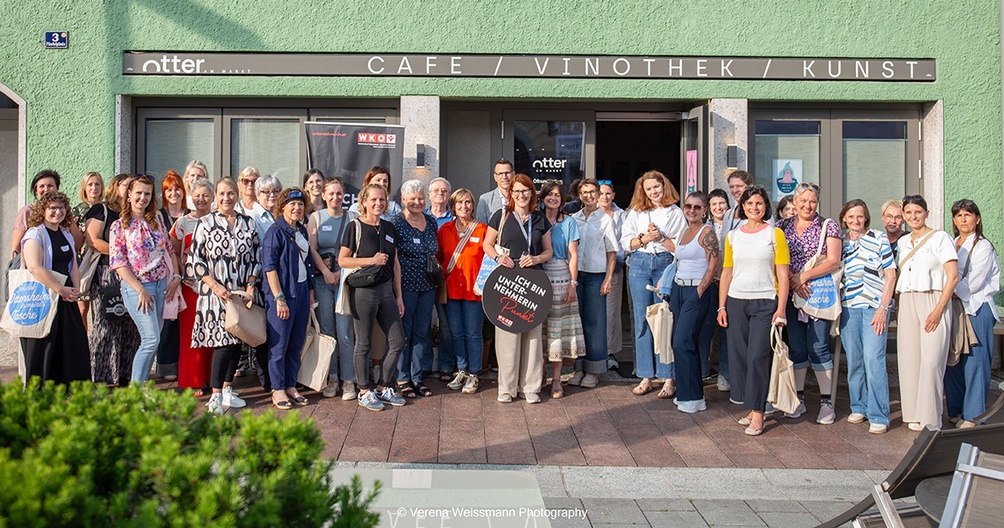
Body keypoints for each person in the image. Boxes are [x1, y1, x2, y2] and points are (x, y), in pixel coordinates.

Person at [717, 186, 790, 436]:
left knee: (758, 357)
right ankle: (751, 406)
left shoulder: (774, 234)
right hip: (737, 301)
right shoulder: (733, 236)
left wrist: (781, 307)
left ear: (765, 206)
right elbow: (726, 271)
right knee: (739, 357)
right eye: (749, 204)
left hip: (765, 302)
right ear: (743, 207)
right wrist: (722, 305)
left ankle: (759, 413)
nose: (754, 208)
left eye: (759, 203)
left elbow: (782, 272)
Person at [186, 177, 259, 414]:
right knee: (223, 344)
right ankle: (215, 395)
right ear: (215, 197)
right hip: (215, 296)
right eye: (221, 194)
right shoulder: (205, 223)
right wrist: (215, 286)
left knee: (237, 341)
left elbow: (256, 258)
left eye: (230, 193)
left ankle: (227, 389)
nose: (226, 198)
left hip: (239, 295)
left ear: (237, 195)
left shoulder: (248, 223)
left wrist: (250, 287)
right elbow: (194, 262)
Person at [483, 173, 553, 404]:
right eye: (516, 191)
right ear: (510, 194)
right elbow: (487, 244)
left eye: (526, 191)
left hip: (533, 283)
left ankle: (530, 387)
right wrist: (497, 258)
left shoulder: (540, 219)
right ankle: (507, 387)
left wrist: (536, 259)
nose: (521, 195)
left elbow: (548, 252)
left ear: (532, 193)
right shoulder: (500, 216)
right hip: (506, 284)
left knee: (532, 337)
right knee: (507, 337)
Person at [339, 183, 407, 412]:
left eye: (382, 200)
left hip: (387, 291)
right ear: (364, 202)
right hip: (364, 292)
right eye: (374, 200)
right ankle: (364, 391)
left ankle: (382, 386)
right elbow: (343, 260)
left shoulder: (389, 227)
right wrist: (371, 261)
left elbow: (395, 263)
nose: (378, 203)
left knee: (398, 341)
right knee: (363, 343)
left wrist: (399, 296)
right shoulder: (355, 226)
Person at [777, 182, 842, 424]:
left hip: (817, 294)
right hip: (791, 295)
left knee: (818, 346)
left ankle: (827, 402)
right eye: (802, 201)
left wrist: (803, 277)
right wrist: (793, 283)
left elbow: (833, 260)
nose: (807, 205)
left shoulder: (828, 225)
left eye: (812, 201)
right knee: (797, 347)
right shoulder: (782, 225)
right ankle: (799, 399)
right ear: (794, 202)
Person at [109, 175, 182, 384]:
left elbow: (169, 249)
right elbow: (118, 262)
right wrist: (139, 289)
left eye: (147, 194)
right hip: (138, 288)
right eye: (138, 193)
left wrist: (176, 276)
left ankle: (140, 387)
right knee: (151, 339)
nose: (143, 198)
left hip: (162, 286)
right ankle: (135, 392)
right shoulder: (119, 226)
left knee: (154, 338)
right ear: (129, 195)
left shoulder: (156, 219)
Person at [620, 170, 686, 398]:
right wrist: (645, 238)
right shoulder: (636, 213)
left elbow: (680, 247)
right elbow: (626, 244)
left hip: (664, 264)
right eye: (648, 189)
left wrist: (660, 238)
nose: (653, 192)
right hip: (639, 264)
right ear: (643, 191)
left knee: (664, 319)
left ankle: (668, 376)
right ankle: (646, 374)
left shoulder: (675, 212)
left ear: (664, 186)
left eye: (656, 187)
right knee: (642, 320)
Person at [895, 195, 958, 431]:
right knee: (910, 359)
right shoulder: (903, 242)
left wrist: (939, 308)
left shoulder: (941, 238)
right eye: (909, 213)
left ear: (927, 213)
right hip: (908, 298)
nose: (913, 217)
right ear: (904, 216)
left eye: (918, 212)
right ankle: (913, 413)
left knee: (932, 361)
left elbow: (952, 276)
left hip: (934, 299)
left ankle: (931, 417)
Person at [19, 191, 91, 384]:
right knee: (45, 347)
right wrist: (61, 289)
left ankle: (72, 389)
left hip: (67, 298)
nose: (57, 212)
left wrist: (76, 290)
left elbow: (73, 265)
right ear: (43, 210)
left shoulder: (65, 233)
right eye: (52, 208)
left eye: (61, 207)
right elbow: (35, 267)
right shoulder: (35, 234)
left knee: (73, 344)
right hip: (43, 297)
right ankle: (41, 394)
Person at [838, 199, 896, 434]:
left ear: (866, 217)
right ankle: (858, 406)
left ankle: (879, 414)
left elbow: (891, 276)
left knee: (873, 359)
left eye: (859, 216)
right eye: (851, 217)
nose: (855, 221)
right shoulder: (841, 242)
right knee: (854, 359)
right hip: (849, 307)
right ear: (844, 218)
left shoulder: (879, 238)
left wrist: (884, 308)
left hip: (874, 307)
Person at [946, 199, 1000, 428]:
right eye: (959, 215)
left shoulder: (983, 246)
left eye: (968, 215)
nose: (963, 219)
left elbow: (973, 283)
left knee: (975, 363)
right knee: (952, 361)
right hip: (954, 309)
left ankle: (974, 415)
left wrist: (948, 288)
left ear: (977, 219)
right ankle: (956, 410)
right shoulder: (952, 243)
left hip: (976, 309)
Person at [262, 188, 316, 410]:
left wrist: (311, 293)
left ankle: (291, 384)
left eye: (301, 204)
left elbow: (307, 264)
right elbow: (269, 267)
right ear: (282, 206)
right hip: (283, 295)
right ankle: (277, 388)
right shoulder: (275, 232)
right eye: (292, 204)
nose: (297, 208)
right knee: (279, 345)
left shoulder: (301, 230)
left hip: (301, 293)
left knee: (296, 343)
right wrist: (279, 298)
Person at [85, 173, 141, 386]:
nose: (129, 191)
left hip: (132, 273)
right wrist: (121, 253)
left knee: (130, 324)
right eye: (127, 186)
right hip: (106, 272)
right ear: (116, 187)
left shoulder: (134, 214)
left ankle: (126, 374)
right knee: (107, 324)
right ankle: (101, 375)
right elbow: (93, 240)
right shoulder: (102, 210)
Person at [669, 191, 720, 413]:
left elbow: (713, 265)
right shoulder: (684, 230)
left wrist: (699, 290)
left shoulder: (706, 232)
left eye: (697, 207)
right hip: (678, 288)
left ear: (705, 210)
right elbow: (680, 254)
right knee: (678, 341)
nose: (692, 210)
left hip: (695, 290)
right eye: (688, 206)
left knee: (683, 342)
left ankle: (694, 397)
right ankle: (686, 394)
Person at [309, 178, 357, 400]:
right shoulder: (315, 218)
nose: (335, 198)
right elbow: (311, 249)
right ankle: (332, 377)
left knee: (345, 331)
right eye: (331, 194)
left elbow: (356, 249)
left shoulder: (352, 218)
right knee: (327, 331)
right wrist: (326, 272)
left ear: (344, 195)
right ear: (324, 195)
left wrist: (339, 273)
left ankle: (349, 380)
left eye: (339, 193)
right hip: (322, 279)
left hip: (345, 280)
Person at [393, 179, 439, 398]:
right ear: (403, 199)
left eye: (421, 198)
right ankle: (402, 378)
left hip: (428, 286)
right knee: (405, 333)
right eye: (412, 199)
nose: (417, 202)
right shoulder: (396, 223)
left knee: (422, 333)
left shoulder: (431, 222)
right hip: (406, 286)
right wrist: (398, 294)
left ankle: (417, 377)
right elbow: (393, 260)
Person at [438, 188, 487, 394]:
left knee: (473, 334)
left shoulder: (482, 230)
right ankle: (462, 371)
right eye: (459, 203)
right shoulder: (444, 230)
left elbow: (488, 260)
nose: (464, 206)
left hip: (474, 291)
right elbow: (439, 257)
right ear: (453, 207)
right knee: (456, 333)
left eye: (467, 202)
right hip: (451, 290)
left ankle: (474, 373)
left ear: (473, 205)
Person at [569, 178, 616, 389]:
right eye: (585, 192)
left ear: (599, 194)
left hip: (597, 275)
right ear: (579, 196)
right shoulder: (574, 219)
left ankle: (594, 371)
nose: (589, 195)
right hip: (577, 276)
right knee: (577, 322)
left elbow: (612, 253)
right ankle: (579, 368)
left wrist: (607, 279)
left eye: (593, 192)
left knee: (595, 323)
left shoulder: (606, 220)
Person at [170, 178, 214, 397]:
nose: (201, 199)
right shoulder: (182, 222)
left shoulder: (218, 220)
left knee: (212, 331)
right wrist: (181, 273)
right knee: (190, 333)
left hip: (213, 286)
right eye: (197, 195)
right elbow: (173, 250)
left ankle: (211, 377)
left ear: (213, 198)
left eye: (206, 195)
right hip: (190, 286)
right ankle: (193, 380)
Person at [539, 180, 583, 399]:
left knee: (556, 330)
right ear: (543, 197)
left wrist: (572, 283)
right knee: (539, 330)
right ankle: (539, 377)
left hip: (560, 275)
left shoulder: (569, 222)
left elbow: (573, 255)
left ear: (562, 198)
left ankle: (556, 379)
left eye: (557, 194)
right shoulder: (535, 218)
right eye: (549, 194)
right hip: (538, 275)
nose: (553, 198)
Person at [155, 170, 188, 381]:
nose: (174, 193)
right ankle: (167, 365)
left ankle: (184, 363)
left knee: (185, 321)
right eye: (169, 190)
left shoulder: (191, 214)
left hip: (190, 275)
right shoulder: (158, 216)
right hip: (167, 275)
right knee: (168, 318)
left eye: (177, 189)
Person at [699, 188, 731, 392]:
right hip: (709, 283)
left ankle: (725, 374)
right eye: (714, 204)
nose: (719, 207)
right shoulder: (704, 228)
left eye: (722, 203)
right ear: (709, 209)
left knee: (728, 332)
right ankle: (701, 370)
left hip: (729, 283)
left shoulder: (736, 225)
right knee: (704, 329)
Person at [11, 170, 83, 261]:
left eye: (50, 186)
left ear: (57, 189)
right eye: (41, 186)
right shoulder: (27, 212)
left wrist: (69, 218)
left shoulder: (62, 212)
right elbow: (15, 248)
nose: (46, 189)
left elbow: (78, 244)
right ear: (36, 190)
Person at [426, 176, 455, 381]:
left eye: (444, 191)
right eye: (436, 190)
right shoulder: (420, 216)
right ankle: (425, 365)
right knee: (422, 324)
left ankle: (446, 365)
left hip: (445, 278)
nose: (440, 194)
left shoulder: (454, 220)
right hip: (422, 278)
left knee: (446, 325)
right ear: (429, 195)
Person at [598, 181, 625, 367]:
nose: (605, 197)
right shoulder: (588, 214)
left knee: (611, 313)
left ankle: (609, 353)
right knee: (593, 313)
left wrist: (615, 260)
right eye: (601, 193)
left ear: (613, 195)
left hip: (614, 269)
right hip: (591, 270)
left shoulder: (622, 215)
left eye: (608, 193)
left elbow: (624, 242)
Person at [73, 171, 105, 324]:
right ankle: (82, 346)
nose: (94, 188)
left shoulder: (105, 209)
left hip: (101, 261)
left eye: (97, 184)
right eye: (90, 184)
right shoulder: (78, 210)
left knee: (101, 307)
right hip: (83, 261)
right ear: (84, 188)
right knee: (82, 309)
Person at [476, 158, 514, 224]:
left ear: (513, 174)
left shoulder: (520, 198)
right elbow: (481, 228)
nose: (504, 177)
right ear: (495, 177)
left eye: (507, 173)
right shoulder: (485, 200)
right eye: (500, 174)